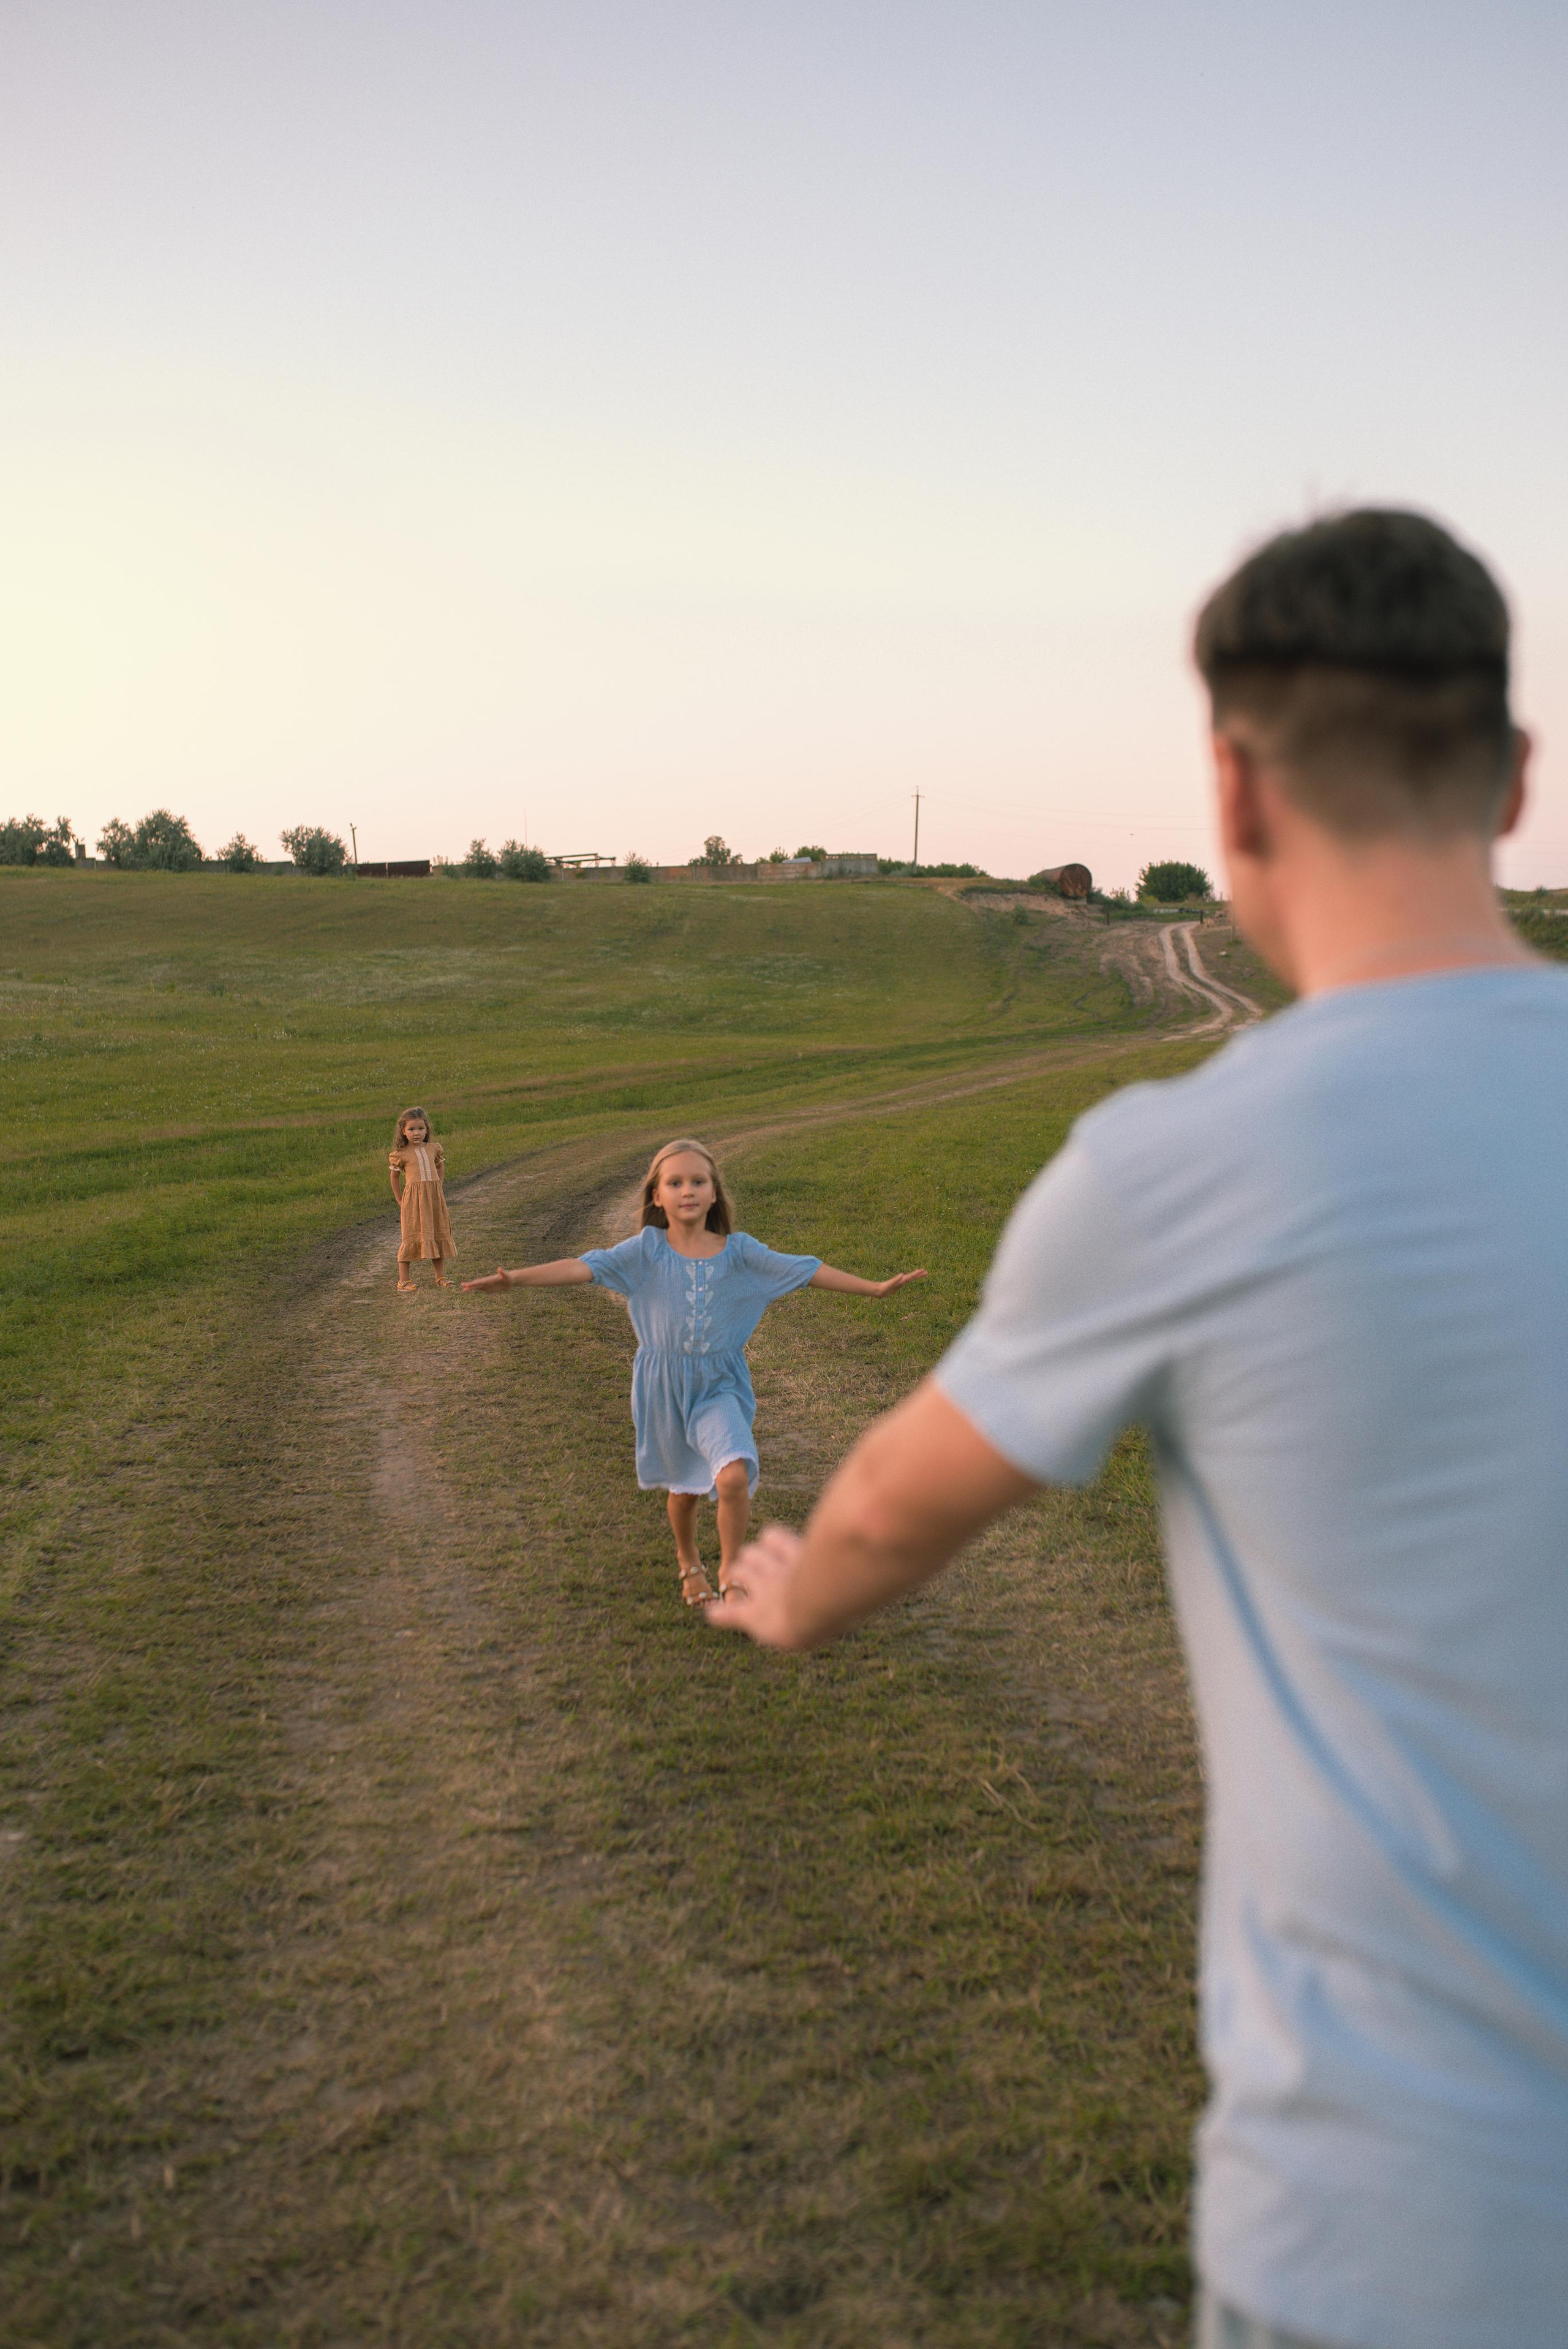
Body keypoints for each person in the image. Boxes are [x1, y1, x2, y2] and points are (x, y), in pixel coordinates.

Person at [708, 511, 1567, 2349]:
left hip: (1402, 2237)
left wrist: (787, 1598)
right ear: (1508, 776)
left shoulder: (1184, 1170)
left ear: (1235, 796)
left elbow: (886, 1514)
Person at [462, 1138, 925, 1605]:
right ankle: (689, 1562)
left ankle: (731, 1568)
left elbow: (805, 1270)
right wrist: (517, 1278)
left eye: (698, 1181)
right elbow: (585, 1267)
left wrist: (875, 1290)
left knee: (732, 1475)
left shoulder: (741, 1254)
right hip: (663, 1388)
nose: (688, 1190)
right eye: (675, 1182)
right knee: (683, 1490)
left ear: (715, 1193)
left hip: (721, 1385)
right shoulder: (645, 1252)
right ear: (657, 1196)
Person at [388, 1106, 456, 1292]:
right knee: (410, 1236)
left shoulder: (434, 1149)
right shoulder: (401, 1154)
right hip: (413, 1201)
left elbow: (440, 1168)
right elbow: (394, 1178)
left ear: (427, 1129)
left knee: (437, 1233)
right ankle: (403, 1281)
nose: (416, 1133)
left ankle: (440, 1277)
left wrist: (438, 1187)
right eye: (411, 1129)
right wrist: (400, 1199)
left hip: (435, 1199)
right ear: (403, 1131)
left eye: (420, 1128)